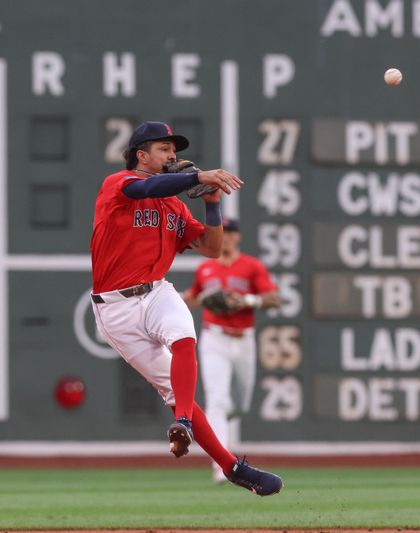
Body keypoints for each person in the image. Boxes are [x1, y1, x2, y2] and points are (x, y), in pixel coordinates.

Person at [89, 121, 282, 496]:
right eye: (163, 148)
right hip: (115, 309)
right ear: (141, 154)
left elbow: (210, 248)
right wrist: (197, 175)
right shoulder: (118, 185)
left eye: (173, 149)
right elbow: (146, 186)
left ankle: (193, 433)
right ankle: (227, 462)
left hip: (156, 291)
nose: (172, 155)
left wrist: (212, 204)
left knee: (184, 336)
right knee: (178, 391)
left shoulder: (174, 205)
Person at [182, 219, 281, 482]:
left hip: (243, 340)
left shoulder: (251, 266)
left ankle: (223, 429)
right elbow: (192, 297)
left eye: (229, 234)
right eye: (220, 233)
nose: (224, 238)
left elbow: (274, 299)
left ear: (237, 237)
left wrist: (247, 300)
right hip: (215, 339)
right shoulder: (205, 269)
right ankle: (221, 464)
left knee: (239, 404)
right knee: (217, 399)